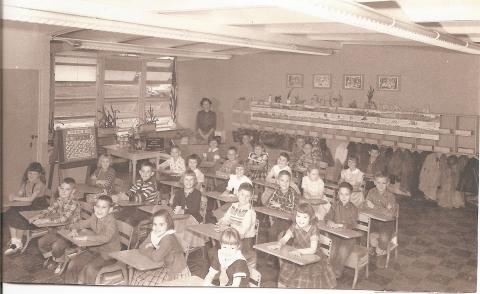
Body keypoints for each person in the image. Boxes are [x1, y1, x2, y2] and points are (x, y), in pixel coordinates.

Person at [268, 203, 336, 288]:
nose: (301, 220)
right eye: (298, 216)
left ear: (310, 218)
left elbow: (313, 249)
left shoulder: (313, 229)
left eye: (305, 217)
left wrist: (298, 251)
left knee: (303, 281)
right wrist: (279, 244)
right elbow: (285, 239)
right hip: (296, 255)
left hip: (312, 258)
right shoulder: (294, 226)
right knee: (283, 277)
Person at [64, 195, 120, 284]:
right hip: (94, 250)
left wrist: (86, 238)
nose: (99, 210)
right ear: (94, 207)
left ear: (110, 210)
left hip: (108, 254)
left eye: (104, 207)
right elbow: (81, 224)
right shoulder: (94, 217)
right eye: (98, 206)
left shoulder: (111, 222)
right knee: (73, 264)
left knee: (90, 269)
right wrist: (74, 229)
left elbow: (106, 237)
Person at [33, 177, 81, 274]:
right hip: (59, 230)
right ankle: (54, 257)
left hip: (70, 233)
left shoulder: (73, 203)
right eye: (62, 188)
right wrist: (38, 215)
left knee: (56, 246)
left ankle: (59, 261)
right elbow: (50, 209)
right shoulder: (59, 199)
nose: (63, 192)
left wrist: (45, 220)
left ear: (73, 191)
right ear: (59, 189)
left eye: (67, 189)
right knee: (41, 242)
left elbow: (64, 219)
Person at [131, 209, 191, 286]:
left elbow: (156, 257)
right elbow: (141, 247)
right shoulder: (154, 234)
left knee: (146, 283)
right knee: (138, 276)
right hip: (164, 265)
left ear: (168, 225)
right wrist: (152, 249)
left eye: (161, 225)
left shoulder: (168, 238)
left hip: (176, 271)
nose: (157, 228)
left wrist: (150, 247)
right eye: (155, 224)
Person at [4, 162, 48, 255]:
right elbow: (20, 193)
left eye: (34, 174)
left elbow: (31, 198)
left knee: (21, 217)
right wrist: (14, 195)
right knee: (10, 212)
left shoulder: (40, 184)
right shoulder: (26, 182)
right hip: (29, 205)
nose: (31, 175)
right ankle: (14, 241)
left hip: (38, 208)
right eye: (29, 173)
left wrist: (16, 198)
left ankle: (18, 243)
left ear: (39, 175)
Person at [364, 171, 398, 268]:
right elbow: (365, 207)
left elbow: (390, 213)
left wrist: (374, 207)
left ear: (387, 183)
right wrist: (383, 209)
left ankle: (380, 255)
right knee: (362, 231)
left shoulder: (391, 197)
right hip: (373, 221)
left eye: (383, 183)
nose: (381, 185)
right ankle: (371, 247)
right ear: (374, 182)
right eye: (378, 182)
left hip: (387, 224)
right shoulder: (371, 192)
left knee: (384, 237)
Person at [324, 182, 358, 278]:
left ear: (351, 195)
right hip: (335, 235)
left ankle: (337, 271)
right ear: (338, 194)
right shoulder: (335, 205)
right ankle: (329, 269)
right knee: (333, 249)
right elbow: (327, 217)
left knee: (343, 250)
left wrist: (343, 226)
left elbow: (353, 224)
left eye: (346, 194)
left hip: (349, 238)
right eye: (341, 194)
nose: (344, 197)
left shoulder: (354, 209)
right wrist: (329, 222)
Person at [217, 183, 257, 256]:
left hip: (245, 241)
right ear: (238, 194)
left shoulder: (250, 212)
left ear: (251, 197)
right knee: (218, 248)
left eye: (247, 196)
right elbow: (226, 218)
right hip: (233, 236)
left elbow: (242, 232)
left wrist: (227, 228)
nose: (244, 198)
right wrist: (222, 222)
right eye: (242, 194)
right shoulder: (233, 206)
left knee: (225, 251)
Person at [267, 170, 299, 242]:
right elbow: (269, 203)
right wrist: (281, 207)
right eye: (282, 180)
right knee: (272, 232)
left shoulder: (292, 193)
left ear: (290, 182)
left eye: (287, 181)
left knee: (287, 236)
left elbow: (291, 209)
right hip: (278, 219)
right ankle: (271, 251)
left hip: (290, 221)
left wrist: (279, 206)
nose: (284, 183)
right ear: (278, 181)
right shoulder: (277, 190)